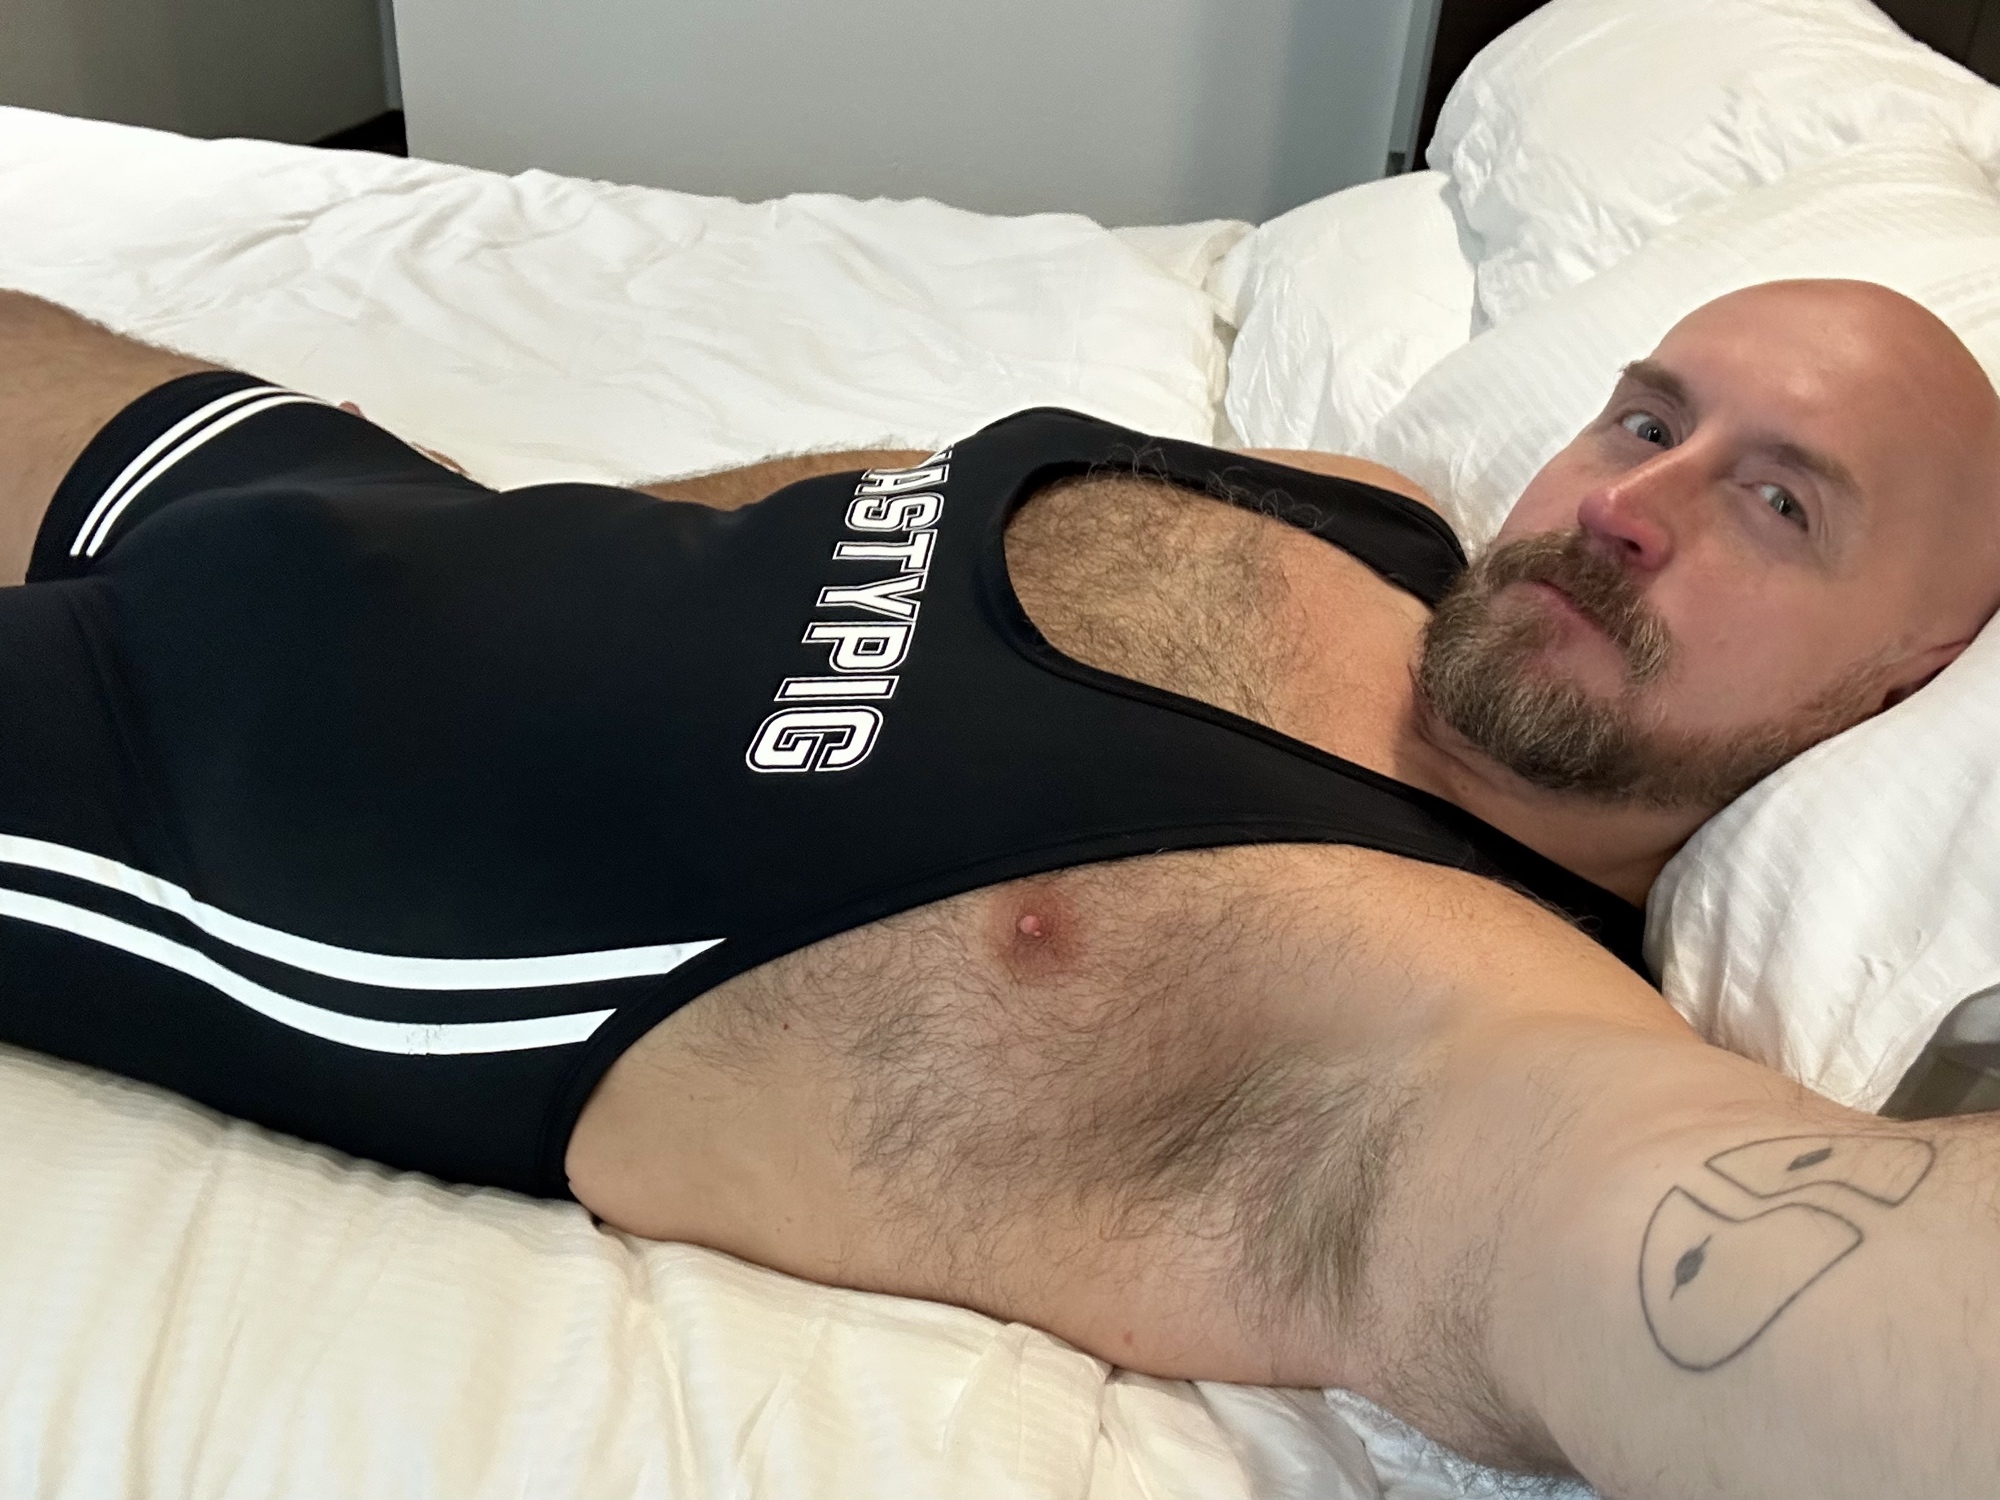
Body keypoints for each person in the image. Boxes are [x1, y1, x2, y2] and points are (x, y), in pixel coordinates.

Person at [0, 276, 1996, 1497]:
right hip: (343, 518)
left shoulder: (1467, 1028)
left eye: (1777, 502)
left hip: (159, 809)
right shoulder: (1371, 518)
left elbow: (1803, 1295)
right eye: (1647, 418)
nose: (1631, 508)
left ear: (1908, 680)